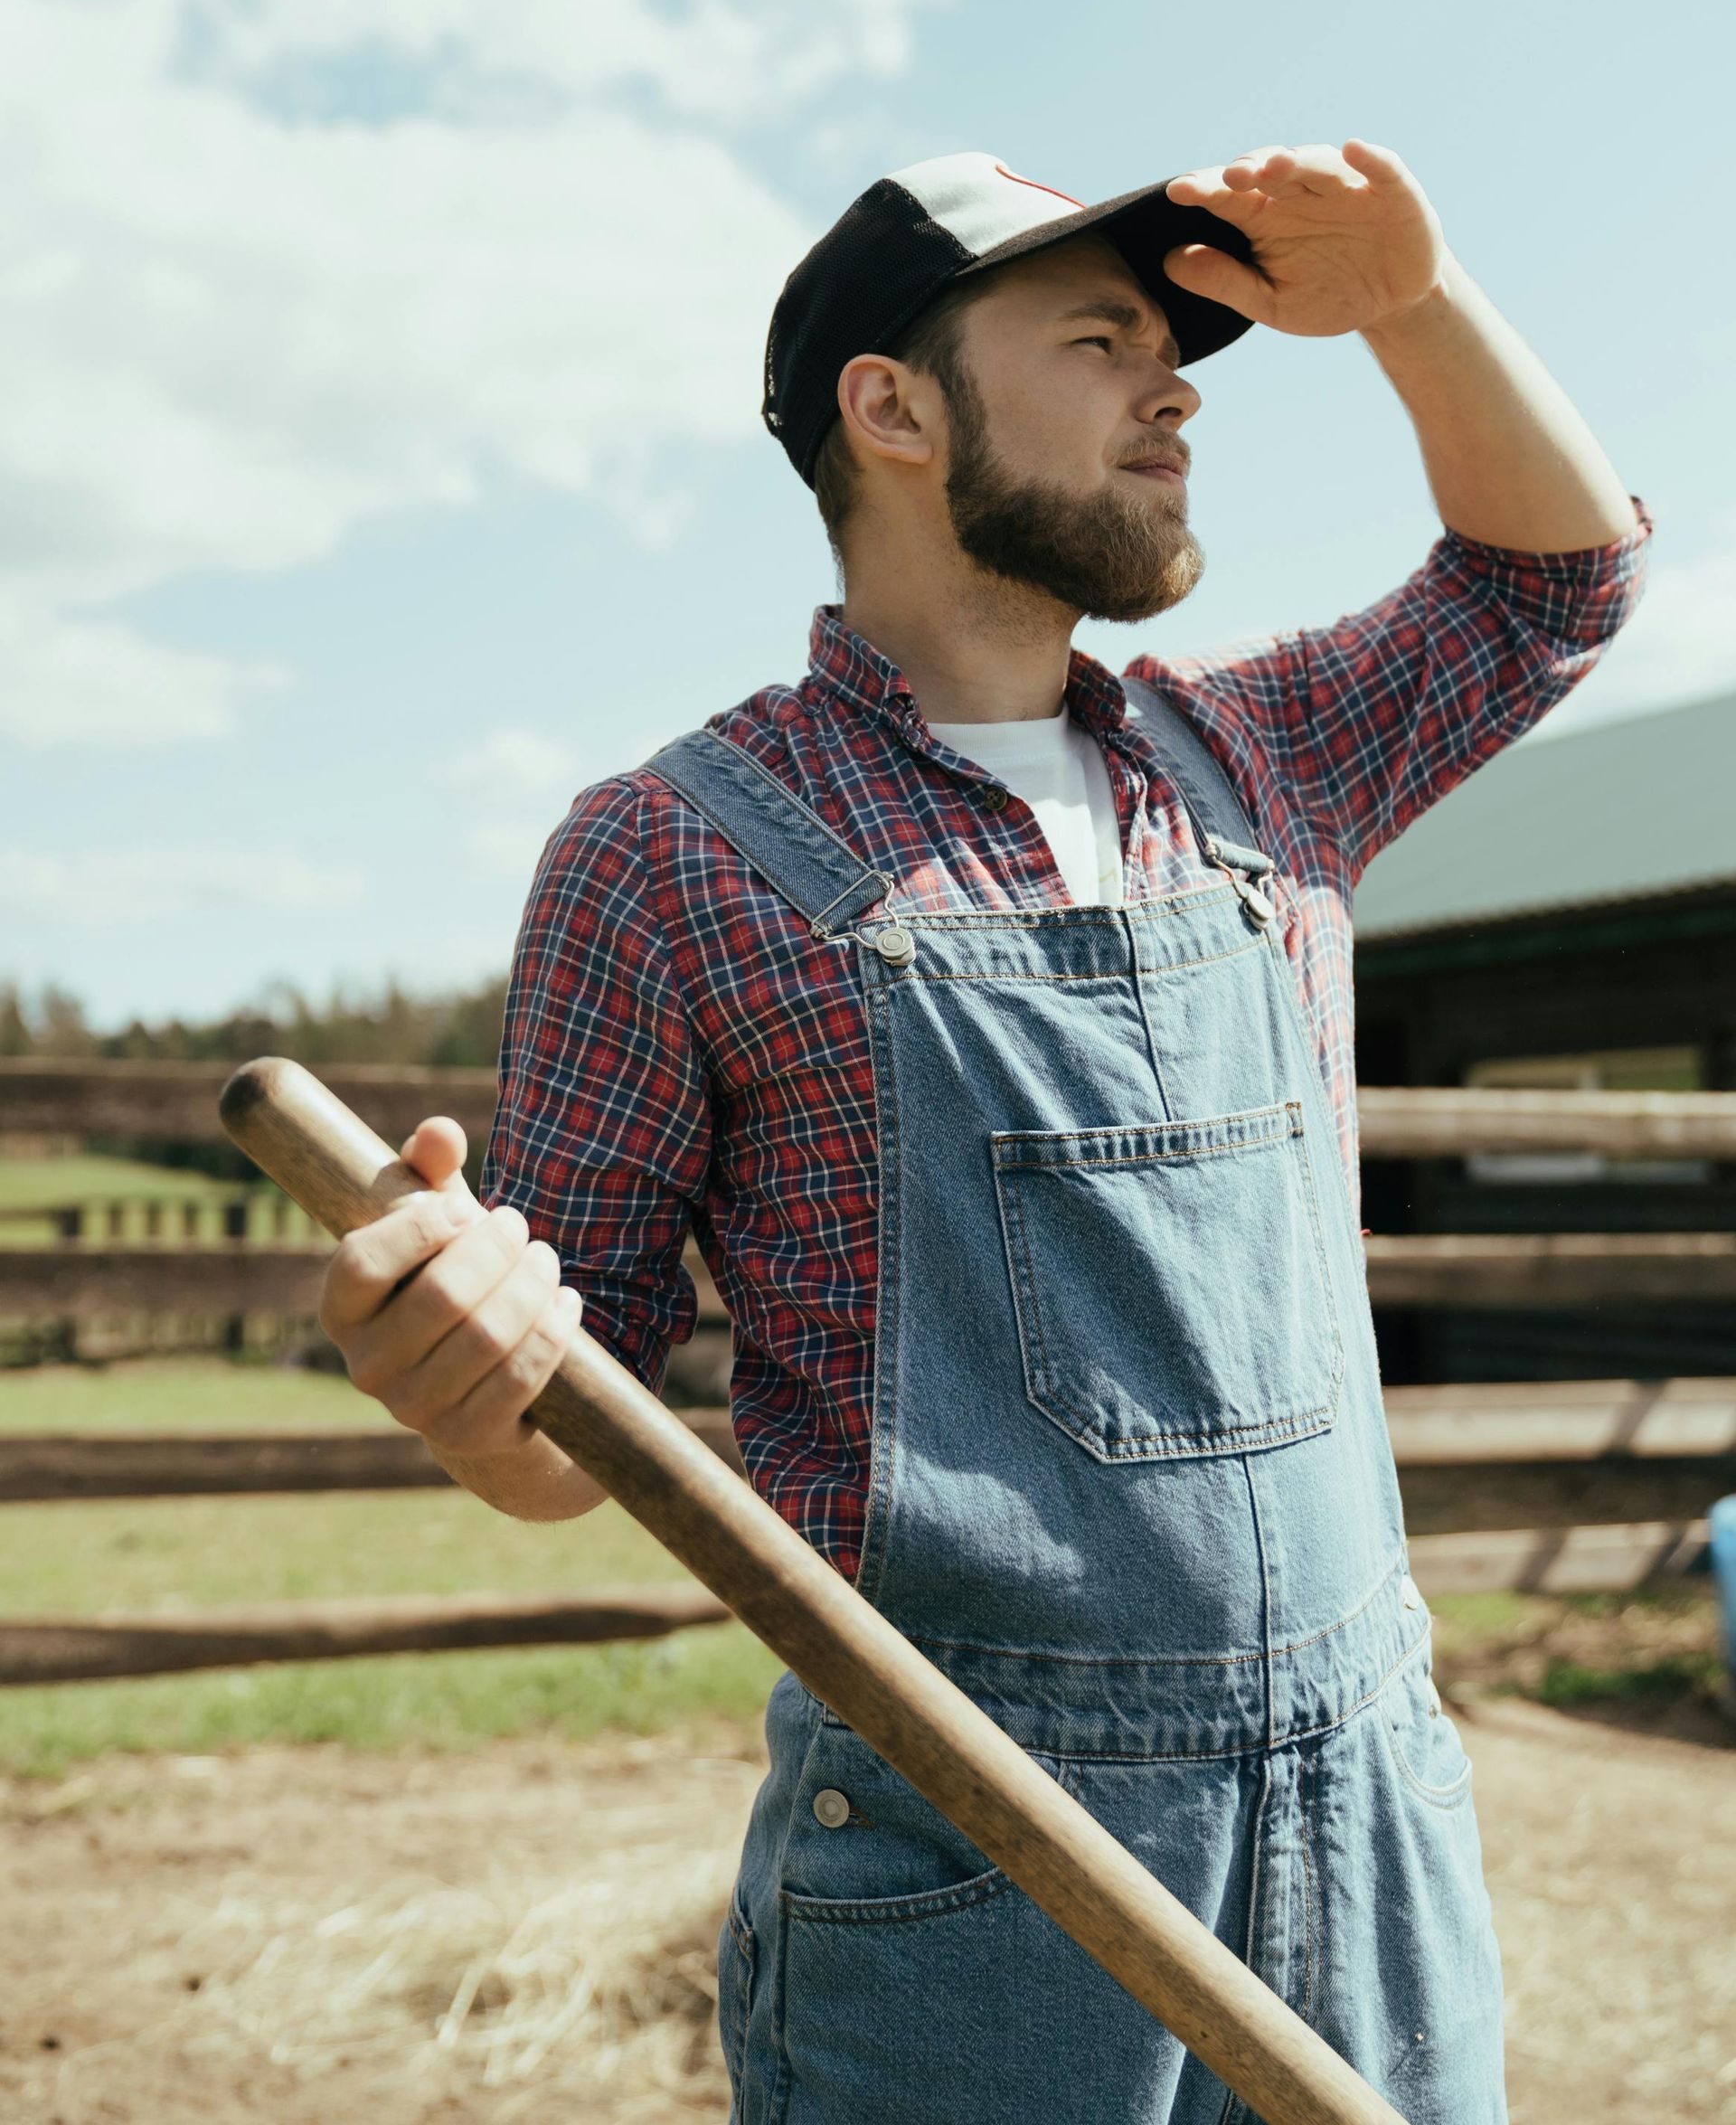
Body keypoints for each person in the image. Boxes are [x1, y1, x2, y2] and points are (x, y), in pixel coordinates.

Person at [318, 141, 1648, 2124]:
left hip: (1375, 1814)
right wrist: (464, 1371)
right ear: (896, 407)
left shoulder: (1264, 763)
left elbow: (1560, 581)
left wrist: (1411, 303)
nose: (1176, 386)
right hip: (976, 1865)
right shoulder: (673, 854)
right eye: (1101, 340)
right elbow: (549, 1439)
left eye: (1169, 350)